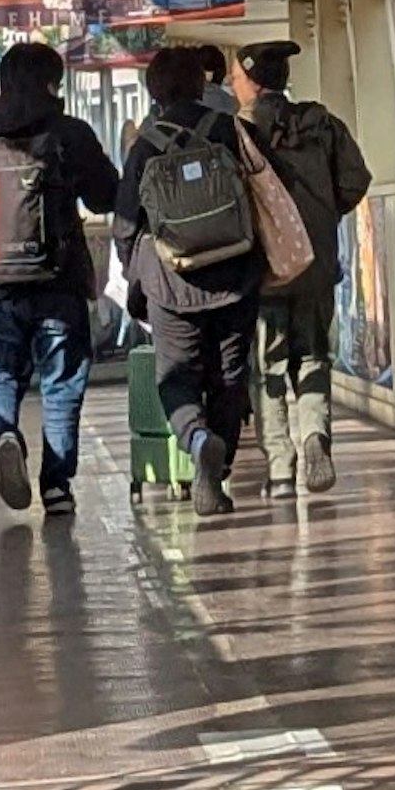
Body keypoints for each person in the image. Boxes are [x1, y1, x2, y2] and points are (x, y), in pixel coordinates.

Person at [0, 36, 124, 522]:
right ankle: (57, 486)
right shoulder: (69, 131)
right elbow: (105, 195)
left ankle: (6, 434)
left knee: (1, 373)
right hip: (60, 280)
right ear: (54, 82)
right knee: (62, 381)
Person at [116, 38, 269, 514]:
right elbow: (266, 191)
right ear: (201, 84)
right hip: (234, 275)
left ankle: (197, 438)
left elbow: (126, 225)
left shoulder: (145, 145)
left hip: (170, 281)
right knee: (229, 375)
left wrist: (134, 274)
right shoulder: (228, 129)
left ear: (154, 90)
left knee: (176, 376)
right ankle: (216, 477)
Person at [237, 40, 371, 494]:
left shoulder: (240, 131)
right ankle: (316, 437)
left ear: (251, 82)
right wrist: (324, 215)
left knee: (268, 368)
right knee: (313, 357)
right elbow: (356, 179)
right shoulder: (321, 123)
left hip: (265, 273)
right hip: (316, 266)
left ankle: (280, 470)